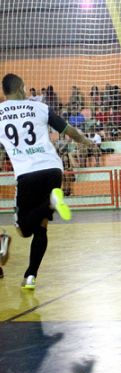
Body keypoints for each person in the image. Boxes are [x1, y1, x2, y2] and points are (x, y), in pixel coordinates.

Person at [0, 73, 92, 289]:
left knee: (23, 230)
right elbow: (67, 130)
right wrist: (85, 140)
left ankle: (51, 203)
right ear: (21, 88)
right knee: (41, 227)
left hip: (27, 173)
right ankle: (31, 276)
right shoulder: (39, 108)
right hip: (52, 168)